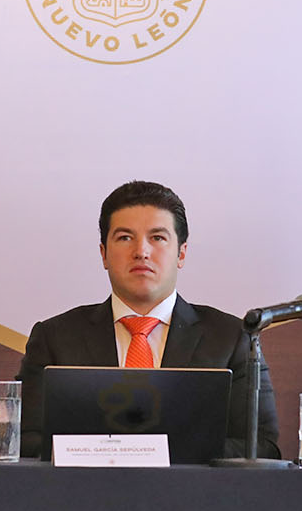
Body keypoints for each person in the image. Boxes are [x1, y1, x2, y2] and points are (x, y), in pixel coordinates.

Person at [16, 180, 281, 460]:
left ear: (181, 253)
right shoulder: (55, 338)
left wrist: (155, 451)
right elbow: (23, 440)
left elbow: (262, 447)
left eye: (157, 238)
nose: (141, 251)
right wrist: (114, 452)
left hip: (192, 490)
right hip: (85, 488)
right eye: (125, 238)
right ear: (104, 254)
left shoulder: (231, 338)